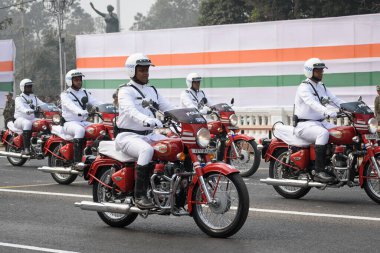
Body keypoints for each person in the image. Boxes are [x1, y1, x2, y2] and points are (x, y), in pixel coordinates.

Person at [115, 53, 175, 209]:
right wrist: (147, 120)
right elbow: (130, 111)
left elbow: (169, 108)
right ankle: (140, 195)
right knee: (146, 150)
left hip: (149, 135)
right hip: (128, 135)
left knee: (175, 144)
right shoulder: (125, 91)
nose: (146, 73)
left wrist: (190, 114)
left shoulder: (152, 90)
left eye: (147, 69)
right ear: (132, 71)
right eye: (141, 70)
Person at [294, 58, 345, 183]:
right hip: (304, 124)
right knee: (323, 133)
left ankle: (336, 163)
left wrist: (351, 108)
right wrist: (328, 111)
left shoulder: (321, 86)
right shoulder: (304, 87)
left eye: (322, 70)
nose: (321, 72)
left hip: (320, 122)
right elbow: (312, 103)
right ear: (310, 71)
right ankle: (319, 171)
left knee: (341, 132)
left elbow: (335, 100)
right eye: (318, 70)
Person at [60, 69, 102, 167]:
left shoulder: (85, 92)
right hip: (69, 123)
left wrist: (108, 107)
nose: (79, 82)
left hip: (83, 122)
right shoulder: (65, 94)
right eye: (76, 80)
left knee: (99, 129)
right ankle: (77, 161)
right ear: (70, 81)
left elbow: (96, 102)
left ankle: (92, 152)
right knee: (79, 130)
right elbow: (70, 106)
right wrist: (80, 112)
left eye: (80, 80)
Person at [14, 79, 46, 155]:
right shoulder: (19, 98)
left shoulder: (34, 97)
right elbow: (21, 107)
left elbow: (43, 105)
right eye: (28, 86)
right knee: (27, 123)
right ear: (23, 87)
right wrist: (27, 111)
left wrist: (53, 107)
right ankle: (26, 148)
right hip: (20, 119)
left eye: (30, 86)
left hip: (32, 118)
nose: (30, 88)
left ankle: (41, 144)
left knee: (44, 122)